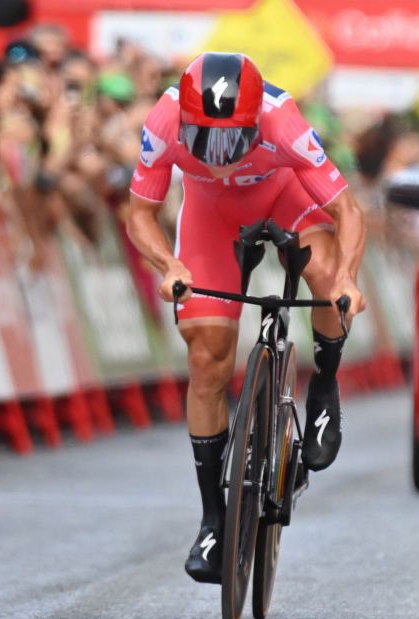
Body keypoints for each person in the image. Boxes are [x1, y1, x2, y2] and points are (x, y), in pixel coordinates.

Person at [126, 52, 366, 584]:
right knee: (207, 359)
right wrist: (169, 265)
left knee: (325, 281)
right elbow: (140, 212)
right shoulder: (163, 121)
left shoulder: (284, 121)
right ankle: (214, 519)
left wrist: (347, 277)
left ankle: (324, 386)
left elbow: (348, 210)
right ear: (186, 122)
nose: (219, 160)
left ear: (257, 122)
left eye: (233, 143)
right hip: (211, 217)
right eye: (205, 144)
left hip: (286, 198)